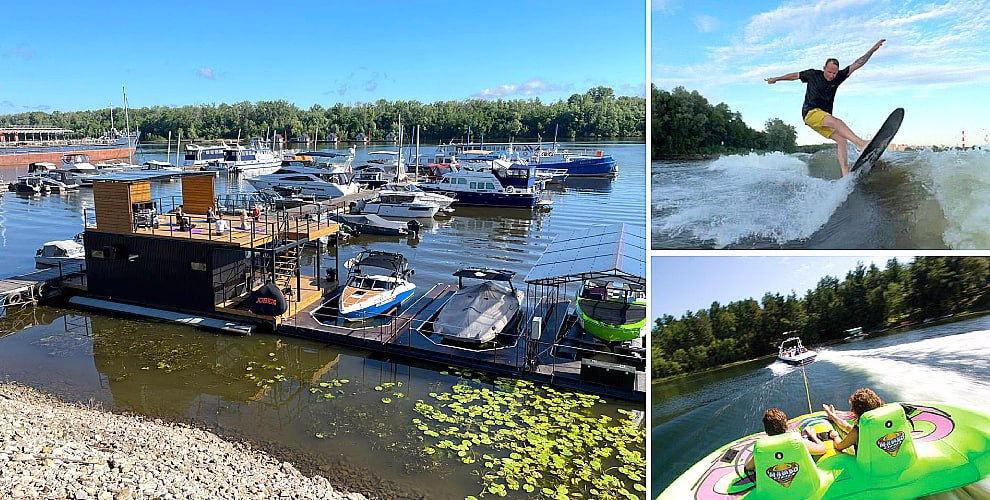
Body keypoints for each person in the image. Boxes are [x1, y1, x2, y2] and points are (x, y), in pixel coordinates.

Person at [765, 39, 885, 176]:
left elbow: (858, 63)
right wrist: (776, 79)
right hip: (810, 113)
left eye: (834, 73)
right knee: (838, 122)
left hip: (822, 118)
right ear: (824, 68)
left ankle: (845, 174)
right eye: (829, 72)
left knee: (841, 139)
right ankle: (862, 144)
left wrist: (872, 50)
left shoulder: (838, 77)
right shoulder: (812, 74)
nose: (832, 76)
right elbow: (794, 76)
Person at [744, 408, 828, 473]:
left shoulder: (761, 448)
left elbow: (748, 467)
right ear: (786, 426)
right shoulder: (797, 440)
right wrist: (813, 436)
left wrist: (755, 451)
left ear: (766, 431)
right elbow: (823, 449)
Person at [823, 388, 884, 453]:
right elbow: (849, 428)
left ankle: (832, 417)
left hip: (867, 462)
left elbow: (839, 446)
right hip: (886, 460)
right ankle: (832, 416)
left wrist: (835, 436)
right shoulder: (884, 421)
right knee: (848, 429)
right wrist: (832, 415)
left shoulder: (858, 431)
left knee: (844, 433)